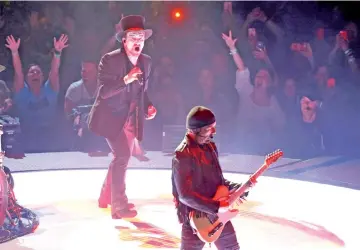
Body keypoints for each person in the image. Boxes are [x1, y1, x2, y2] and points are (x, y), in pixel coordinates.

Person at [88, 15, 157, 219]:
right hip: (110, 118)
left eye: (141, 36)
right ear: (124, 40)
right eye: (133, 36)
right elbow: (103, 92)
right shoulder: (109, 60)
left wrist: (149, 107)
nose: (138, 40)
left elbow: (142, 92)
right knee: (123, 156)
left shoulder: (147, 62)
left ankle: (105, 197)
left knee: (120, 158)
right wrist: (126, 79)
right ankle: (119, 206)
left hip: (131, 119)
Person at [171, 106, 254, 250]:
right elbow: (185, 195)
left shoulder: (210, 147)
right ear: (196, 129)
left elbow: (218, 180)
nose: (214, 132)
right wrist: (216, 208)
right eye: (209, 128)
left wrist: (237, 188)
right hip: (196, 218)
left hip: (218, 213)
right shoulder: (182, 154)